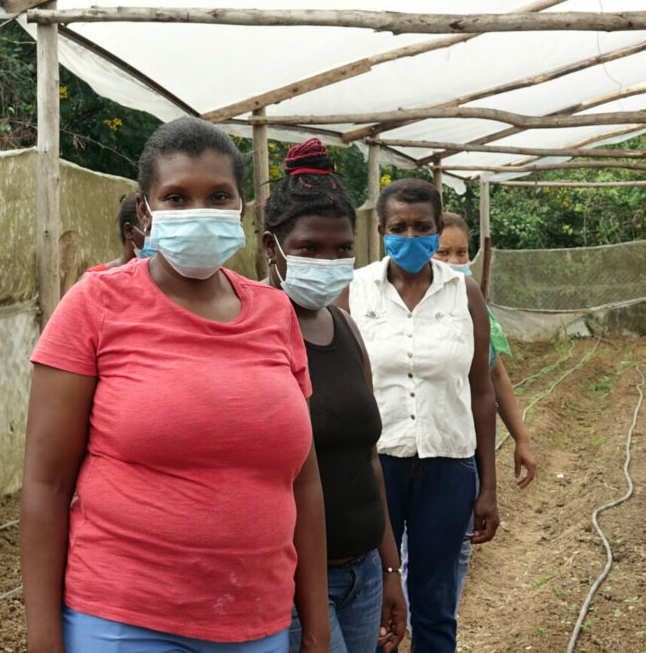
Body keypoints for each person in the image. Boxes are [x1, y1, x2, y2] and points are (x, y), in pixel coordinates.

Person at [23, 117, 328, 653]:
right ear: (145, 211)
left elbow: (303, 483)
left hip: (260, 622)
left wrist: (316, 627)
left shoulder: (275, 313)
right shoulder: (95, 306)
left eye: (217, 195)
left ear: (241, 207)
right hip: (124, 622)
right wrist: (44, 640)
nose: (198, 213)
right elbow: (46, 486)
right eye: (176, 198)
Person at [338, 179, 499, 653]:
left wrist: (487, 488)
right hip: (373, 468)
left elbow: (481, 390)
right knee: (375, 597)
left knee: (435, 600)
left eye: (421, 227)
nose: (410, 237)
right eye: (399, 227)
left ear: (437, 228)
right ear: (380, 229)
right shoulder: (354, 291)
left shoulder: (464, 293)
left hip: (447, 465)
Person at [261, 139, 406, 653]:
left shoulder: (344, 327)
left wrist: (390, 566)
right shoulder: (248, 332)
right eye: (309, 249)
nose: (329, 261)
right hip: (294, 582)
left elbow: (368, 457)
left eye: (343, 249)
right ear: (271, 247)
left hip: (363, 572)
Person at [434, 213, 536, 489]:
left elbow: (497, 375)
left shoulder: (477, 309)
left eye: (461, 253)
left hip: (472, 440)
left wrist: (522, 439)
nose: (454, 262)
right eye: (443, 253)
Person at [86, 192, 147, 273]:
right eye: (150, 230)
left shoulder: (161, 278)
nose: (158, 238)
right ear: (129, 231)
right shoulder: (95, 279)